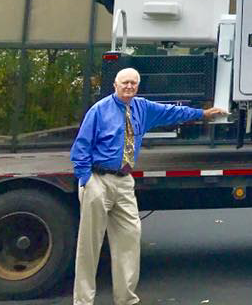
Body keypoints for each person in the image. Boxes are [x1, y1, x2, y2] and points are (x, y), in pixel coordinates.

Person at [70, 67, 227, 305]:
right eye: (125, 83)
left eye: (133, 83)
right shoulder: (99, 110)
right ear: (115, 85)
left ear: (138, 86)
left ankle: (126, 299)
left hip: (124, 181)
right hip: (98, 180)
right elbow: (81, 147)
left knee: (129, 240)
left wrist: (203, 114)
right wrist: (87, 180)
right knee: (89, 245)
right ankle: (83, 301)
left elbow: (173, 112)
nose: (129, 87)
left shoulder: (143, 108)